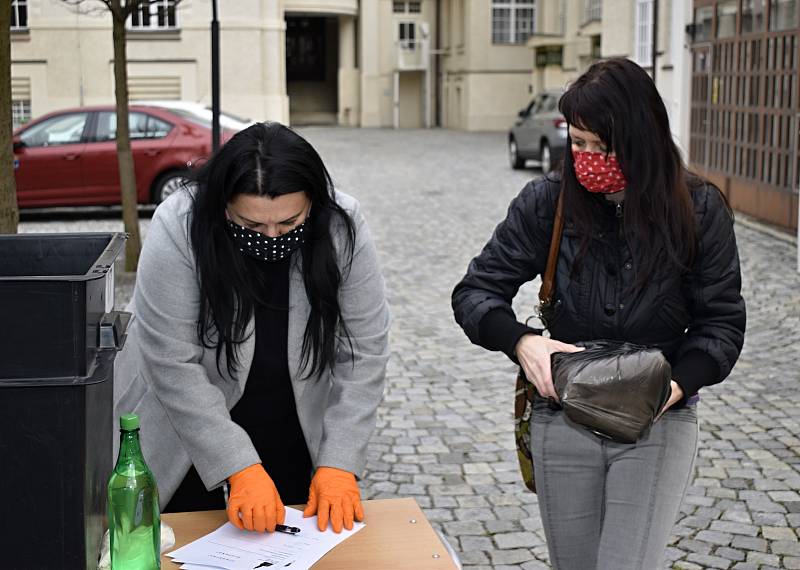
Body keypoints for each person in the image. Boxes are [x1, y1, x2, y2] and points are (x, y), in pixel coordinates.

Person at [452, 58, 746, 569]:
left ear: (642, 138)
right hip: (563, 413)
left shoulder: (697, 208)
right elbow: (476, 292)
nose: (587, 158)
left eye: (602, 146)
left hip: (657, 420)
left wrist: (673, 387)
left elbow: (720, 325)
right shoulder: (548, 201)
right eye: (579, 143)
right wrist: (523, 342)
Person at [113, 122, 390, 534]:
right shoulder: (179, 222)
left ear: (313, 202)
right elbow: (170, 359)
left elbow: (364, 351)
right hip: (183, 437)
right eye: (252, 226)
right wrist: (237, 465)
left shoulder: (340, 224)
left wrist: (338, 463)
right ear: (223, 205)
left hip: (292, 427)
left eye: (289, 223)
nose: (272, 236)